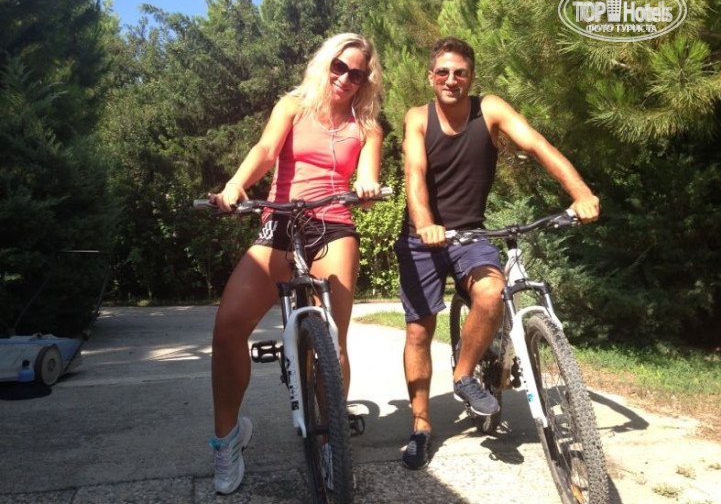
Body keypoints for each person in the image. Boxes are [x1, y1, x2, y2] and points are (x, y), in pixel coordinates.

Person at [394, 37, 600, 470]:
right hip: (422, 236)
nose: (451, 79)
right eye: (443, 72)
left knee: (491, 293)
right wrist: (426, 222)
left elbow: (538, 146)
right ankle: (421, 425)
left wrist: (580, 192)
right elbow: (415, 173)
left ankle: (463, 375)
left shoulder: (489, 109)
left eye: (460, 73)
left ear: (471, 78)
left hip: (470, 232)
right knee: (418, 331)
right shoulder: (418, 117)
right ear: (431, 77)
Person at [207, 33, 384, 494]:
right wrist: (236, 184)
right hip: (281, 221)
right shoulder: (293, 106)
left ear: (365, 80)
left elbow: (368, 176)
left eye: (356, 73)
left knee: (334, 340)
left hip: (333, 223)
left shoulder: (368, 127)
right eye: (339, 67)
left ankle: (331, 441)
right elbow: (266, 151)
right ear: (326, 64)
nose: (345, 78)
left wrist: (367, 187)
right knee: (227, 330)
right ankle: (227, 440)